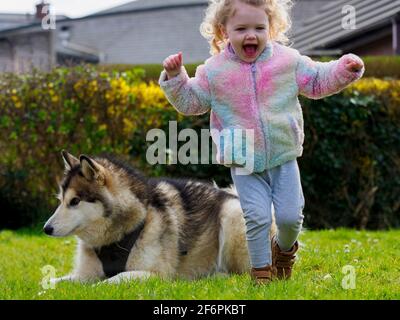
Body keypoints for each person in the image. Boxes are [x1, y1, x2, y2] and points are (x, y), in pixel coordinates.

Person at [159, 0, 364, 284]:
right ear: (223, 31)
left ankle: (283, 250)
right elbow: (191, 102)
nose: (251, 35)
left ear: (272, 28)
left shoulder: (287, 61)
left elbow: (318, 80)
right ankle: (261, 274)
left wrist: (345, 68)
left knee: (290, 218)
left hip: (283, 155)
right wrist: (175, 78)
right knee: (256, 217)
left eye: (259, 27)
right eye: (241, 28)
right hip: (243, 159)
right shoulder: (214, 71)